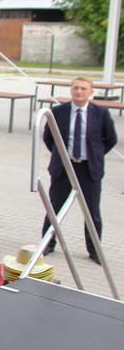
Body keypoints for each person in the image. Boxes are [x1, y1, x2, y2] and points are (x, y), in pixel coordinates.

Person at [41, 77, 117, 263]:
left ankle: (94, 250)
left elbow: (111, 139)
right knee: (54, 208)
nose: (79, 91)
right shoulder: (58, 112)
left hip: (88, 169)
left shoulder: (101, 113)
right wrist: (61, 155)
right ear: (71, 90)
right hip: (64, 168)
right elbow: (48, 137)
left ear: (91, 92)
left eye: (83, 88)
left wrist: (95, 154)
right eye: (76, 88)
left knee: (92, 212)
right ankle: (47, 243)